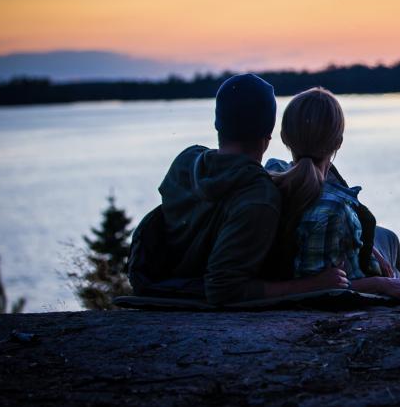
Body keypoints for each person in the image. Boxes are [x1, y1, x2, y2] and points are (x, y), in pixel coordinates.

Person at [127, 74, 349, 305]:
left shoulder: (186, 162)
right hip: (199, 290)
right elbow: (223, 289)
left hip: (168, 279)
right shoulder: (260, 198)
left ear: (217, 123)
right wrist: (313, 286)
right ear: (270, 133)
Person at [265, 87, 400, 302]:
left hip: (345, 257)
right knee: (396, 253)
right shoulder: (332, 210)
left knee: (387, 237)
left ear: (285, 137)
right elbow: (324, 287)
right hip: (360, 283)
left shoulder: (274, 170)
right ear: (338, 143)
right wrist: (380, 283)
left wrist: (372, 251)